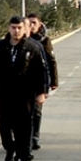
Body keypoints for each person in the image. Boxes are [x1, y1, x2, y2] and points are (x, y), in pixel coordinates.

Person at [0, 16, 49, 161]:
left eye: (19, 28)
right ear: (9, 28)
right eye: (13, 28)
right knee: (4, 123)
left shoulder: (33, 47)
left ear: (25, 29)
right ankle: (10, 147)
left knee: (24, 126)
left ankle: (21, 158)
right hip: (5, 92)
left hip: (26, 93)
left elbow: (40, 72)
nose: (16, 31)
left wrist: (42, 92)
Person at [27, 13, 58, 151]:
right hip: (23, 82)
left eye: (34, 22)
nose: (32, 25)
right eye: (29, 23)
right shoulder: (22, 39)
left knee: (37, 111)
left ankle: (34, 137)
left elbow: (51, 62)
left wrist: (54, 81)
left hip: (39, 81)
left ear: (39, 24)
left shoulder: (45, 40)